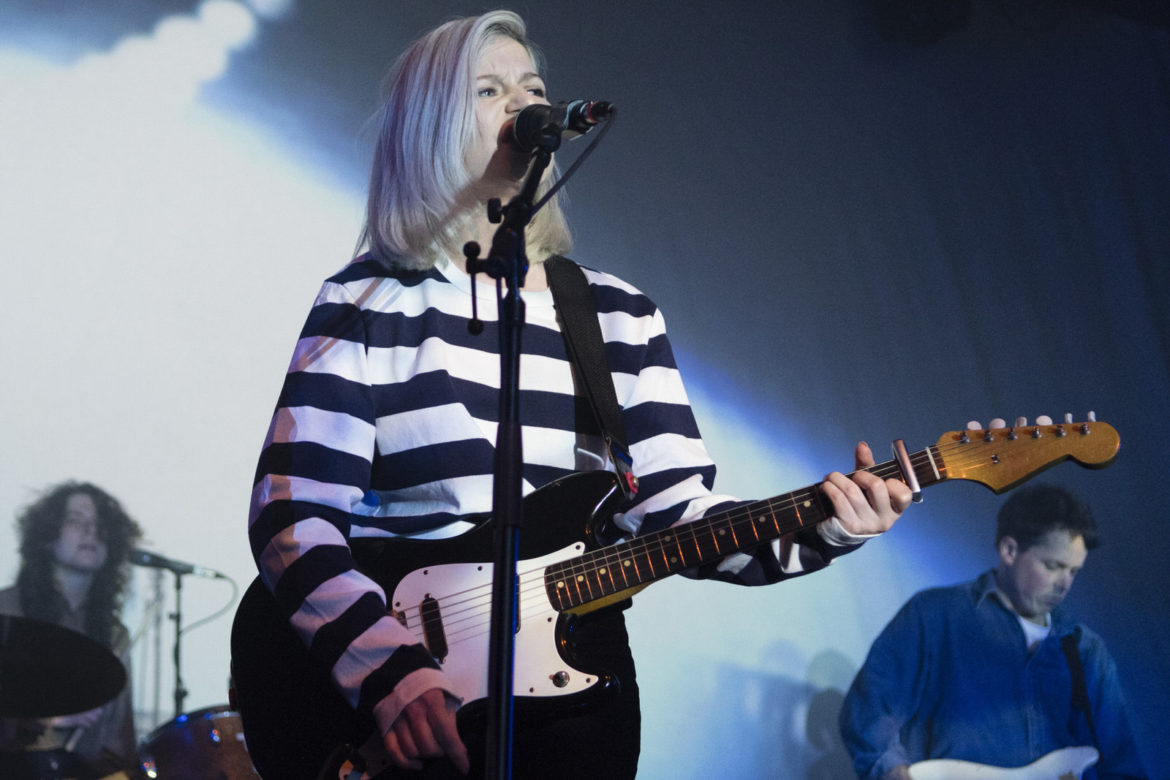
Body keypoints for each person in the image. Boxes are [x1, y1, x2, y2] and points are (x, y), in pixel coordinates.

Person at [244, 10, 912, 778]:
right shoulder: (364, 305)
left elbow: (678, 518)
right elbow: (294, 518)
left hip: (576, 700)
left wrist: (827, 526)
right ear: (427, 125)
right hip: (402, 716)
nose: (524, 102)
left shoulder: (616, 314)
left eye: (533, 86)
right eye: (489, 88)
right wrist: (391, 677)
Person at [838, 483, 1146, 779]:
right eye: (1053, 566)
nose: (1065, 583)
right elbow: (870, 713)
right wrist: (892, 772)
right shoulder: (936, 615)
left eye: (1073, 571)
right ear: (1010, 550)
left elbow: (1120, 760)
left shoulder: (1084, 650)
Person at [0, 481, 143, 779]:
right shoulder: (7, 611)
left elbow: (120, 746)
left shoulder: (116, 635)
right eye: (75, 520)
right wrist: (52, 721)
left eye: (99, 525)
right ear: (46, 537)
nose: (90, 531)